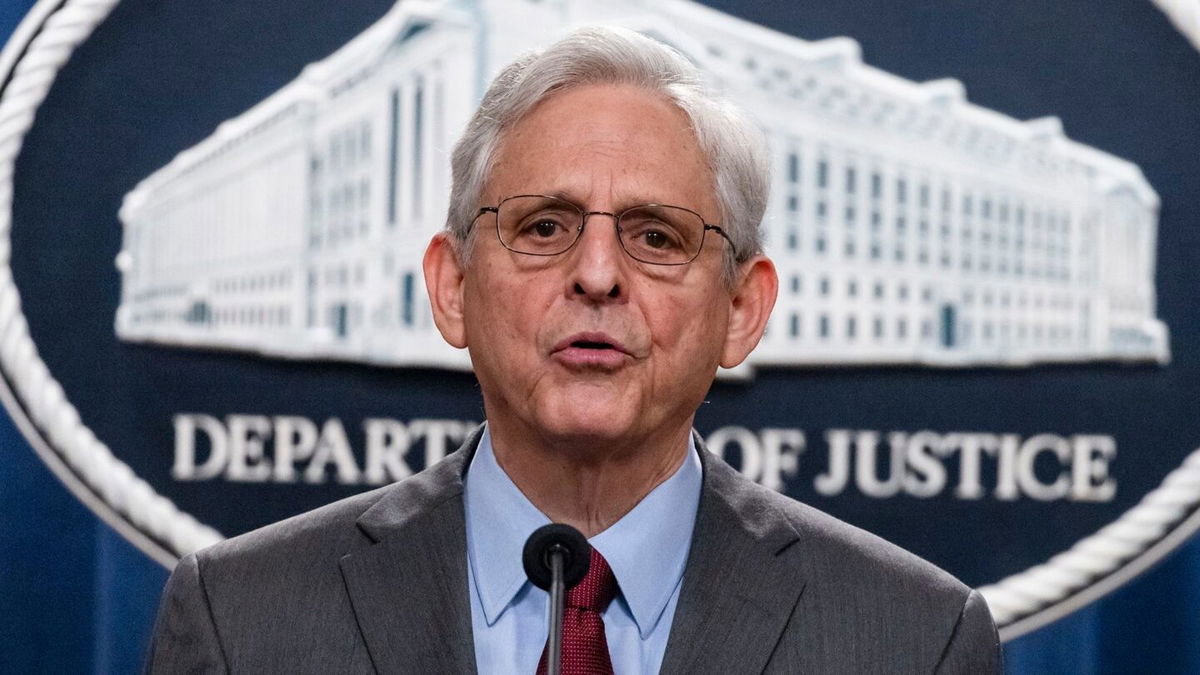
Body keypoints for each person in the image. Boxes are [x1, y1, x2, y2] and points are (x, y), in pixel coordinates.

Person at [146, 26, 1000, 674]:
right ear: (451, 287)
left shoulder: (915, 641)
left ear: (741, 308)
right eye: (543, 226)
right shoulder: (240, 620)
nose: (597, 274)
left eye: (656, 235)